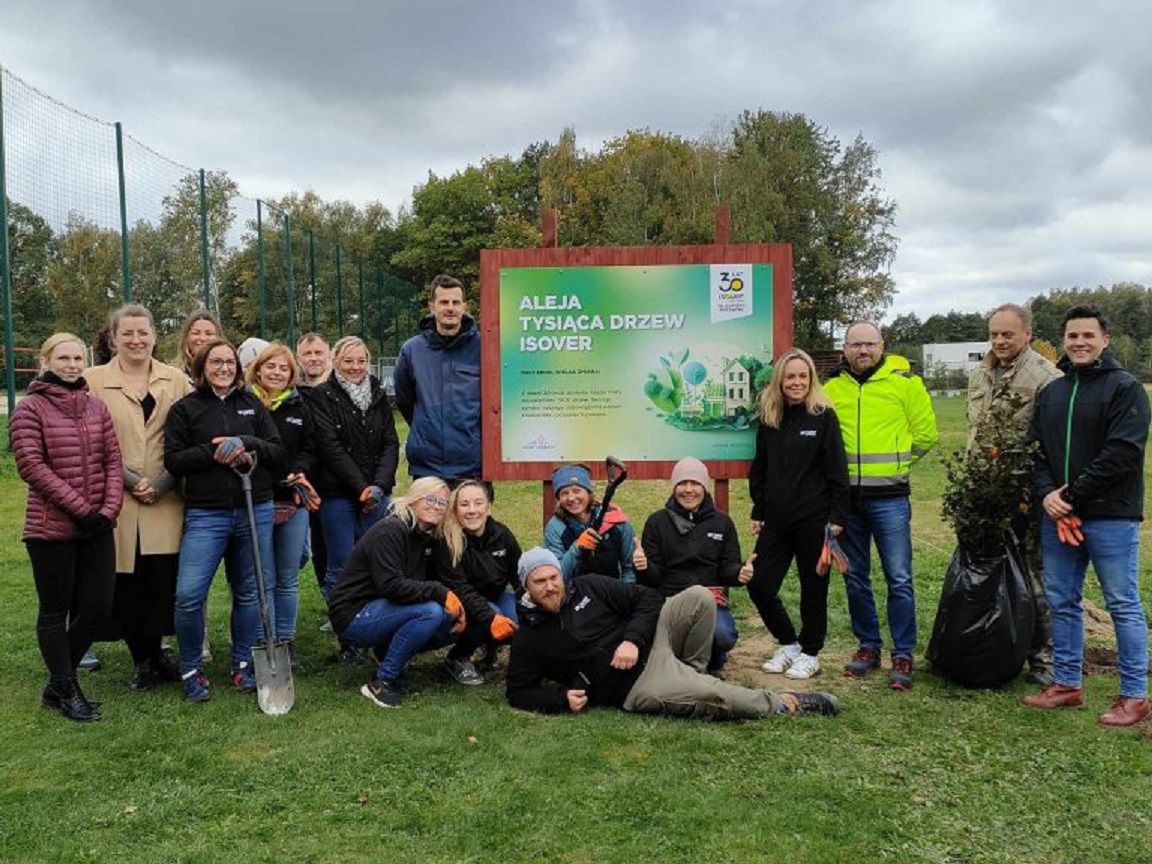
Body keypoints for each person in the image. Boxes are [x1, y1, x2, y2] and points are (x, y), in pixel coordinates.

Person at [506, 548, 840, 719]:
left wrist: (631, 640)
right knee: (713, 696)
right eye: (540, 581)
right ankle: (784, 704)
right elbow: (518, 692)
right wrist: (559, 700)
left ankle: (692, 673)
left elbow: (648, 599)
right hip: (636, 684)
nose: (551, 587)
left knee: (698, 596)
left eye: (554, 577)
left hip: (655, 643)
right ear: (526, 586)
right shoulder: (528, 638)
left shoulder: (588, 586)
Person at [1023, 304, 1151, 727]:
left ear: (1105, 340)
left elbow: (1122, 453)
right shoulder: (1054, 391)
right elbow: (1035, 448)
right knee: (1062, 600)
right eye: (1072, 336)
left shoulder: (1125, 389)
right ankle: (1066, 684)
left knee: (1122, 603)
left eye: (1088, 336)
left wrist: (1070, 497)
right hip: (1057, 515)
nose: (1079, 342)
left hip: (1110, 516)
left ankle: (1134, 695)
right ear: (1064, 341)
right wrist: (1047, 496)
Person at [164, 338, 284, 702]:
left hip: (254, 508)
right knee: (188, 594)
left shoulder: (252, 405)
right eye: (215, 362)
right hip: (206, 514)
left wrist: (246, 442)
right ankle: (190, 668)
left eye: (229, 362)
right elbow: (174, 460)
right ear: (202, 367)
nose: (223, 368)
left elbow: (277, 451)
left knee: (249, 591)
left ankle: (242, 663)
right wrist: (212, 452)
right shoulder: (185, 409)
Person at [11, 333, 123, 721]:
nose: (73, 364)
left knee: (97, 607)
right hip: (51, 529)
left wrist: (107, 510)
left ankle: (58, 683)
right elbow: (31, 466)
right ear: (46, 361)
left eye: (78, 358)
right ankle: (65, 684)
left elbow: (112, 459)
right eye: (64, 358)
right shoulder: (30, 409)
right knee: (55, 610)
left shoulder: (96, 407)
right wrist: (81, 510)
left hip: (98, 525)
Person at [824, 321, 937, 690]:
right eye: (856, 344)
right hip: (848, 503)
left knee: (899, 579)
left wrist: (899, 469)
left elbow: (926, 436)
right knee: (855, 577)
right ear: (845, 348)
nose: (863, 351)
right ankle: (868, 646)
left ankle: (902, 652)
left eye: (869, 344)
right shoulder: (831, 389)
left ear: (882, 345)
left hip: (889, 499)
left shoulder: (904, 383)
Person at [86, 304, 191, 691]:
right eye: (127, 333)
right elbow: (91, 440)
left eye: (143, 333)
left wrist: (162, 483)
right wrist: (130, 480)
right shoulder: (92, 381)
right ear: (112, 338)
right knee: (126, 582)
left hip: (166, 495)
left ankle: (159, 651)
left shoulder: (176, 379)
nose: (136, 340)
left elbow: (187, 435)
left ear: (154, 336)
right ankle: (141, 660)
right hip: (118, 496)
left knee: (162, 579)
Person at [966, 303, 1061, 685]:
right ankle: (997, 643)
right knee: (986, 571)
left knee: (1032, 575)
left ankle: (1044, 658)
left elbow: (1050, 443)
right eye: (994, 334)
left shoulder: (1046, 377)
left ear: (1027, 334)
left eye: (1008, 334)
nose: (1000, 341)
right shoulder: (980, 373)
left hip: (1025, 494)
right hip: (982, 493)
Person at [329, 477, 479, 708]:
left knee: (450, 619)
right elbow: (391, 585)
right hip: (354, 614)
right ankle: (382, 681)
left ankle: (385, 652)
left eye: (442, 502)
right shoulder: (391, 530)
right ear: (414, 499)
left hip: (384, 608)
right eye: (430, 498)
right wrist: (439, 592)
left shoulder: (425, 535)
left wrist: (455, 602)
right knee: (430, 613)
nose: (436, 506)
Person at [748, 348, 851, 681]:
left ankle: (810, 653)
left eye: (802, 376)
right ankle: (789, 645)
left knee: (813, 590)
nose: (796, 382)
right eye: (790, 376)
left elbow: (838, 472)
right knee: (759, 584)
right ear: (780, 380)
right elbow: (759, 469)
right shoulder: (770, 418)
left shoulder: (823, 416)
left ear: (811, 379)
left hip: (815, 520)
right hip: (776, 521)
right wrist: (758, 509)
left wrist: (836, 518)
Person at [311, 336, 400, 662]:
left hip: (377, 496)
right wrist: (360, 486)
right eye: (348, 360)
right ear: (335, 361)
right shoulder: (321, 396)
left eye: (361, 360)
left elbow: (391, 442)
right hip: (337, 494)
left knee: (377, 561)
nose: (355, 367)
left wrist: (378, 486)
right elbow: (329, 445)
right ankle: (347, 635)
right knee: (341, 565)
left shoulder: (378, 393)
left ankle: (375, 626)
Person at [634, 457, 744, 672]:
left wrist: (740, 573)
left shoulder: (722, 523)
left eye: (695, 484)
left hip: (710, 599)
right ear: (674, 487)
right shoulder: (657, 522)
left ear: (705, 487)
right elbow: (653, 579)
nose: (688, 490)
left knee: (724, 636)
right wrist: (644, 566)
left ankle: (711, 656)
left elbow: (727, 570)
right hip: (669, 599)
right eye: (682, 484)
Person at [246, 342, 320, 656]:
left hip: (293, 499)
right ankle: (266, 639)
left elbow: (310, 448)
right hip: (258, 500)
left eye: (284, 368)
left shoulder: (299, 407)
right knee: (263, 578)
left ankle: (285, 640)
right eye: (271, 366)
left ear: (292, 374)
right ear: (258, 368)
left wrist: (299, 471)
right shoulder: (244, 404)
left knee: (288, 576)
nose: (277, 373)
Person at [393, 274, 481, 483]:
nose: (450, 308)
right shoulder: (412, 350)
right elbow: (404, 401)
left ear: (464, 306)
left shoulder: (484, 347)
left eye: (455, 302)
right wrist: (427, 428)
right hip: (427, 466)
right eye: (443, 302)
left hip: (472, 464)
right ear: (432, 307)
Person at [435, 479, 521, 684]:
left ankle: (492, 650)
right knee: (491, 615)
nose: (472, 510)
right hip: (459, 601)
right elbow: (460, 589)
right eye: (464, 505)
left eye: (478, 503)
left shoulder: (502, 533)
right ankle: (457, 657)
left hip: (496, 594)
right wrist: (491, 617)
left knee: (519, 614)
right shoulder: (447, 541)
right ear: (455, 510)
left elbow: (518, 574)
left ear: (488, 507)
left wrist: (528, 604)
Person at [544, 463, 636, 582]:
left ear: (588, 492)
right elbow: (557, 576)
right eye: (564, 493)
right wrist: (577, 548)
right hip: (573, 594)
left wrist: (625, 594)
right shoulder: (555, 527)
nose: (571, 498)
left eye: (577, 491)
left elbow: (629, 569)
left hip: (612, 592)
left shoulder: (615, 520)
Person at [295, 331, 331, 592]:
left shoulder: (339, 388)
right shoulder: (292, 392)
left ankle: (342, 605)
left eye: (318, 352)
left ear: (328, 354)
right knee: (311, 549)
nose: (313, 358)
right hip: (303, 479)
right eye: (307, 353)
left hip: (335, 480)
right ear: (299, 357)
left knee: (334, 545)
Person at [175, 310, 225, 381]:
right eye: (196, 333)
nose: (202, 338)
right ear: (186, 338)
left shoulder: (228, 373)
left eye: (209, 334)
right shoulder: (174, 376)